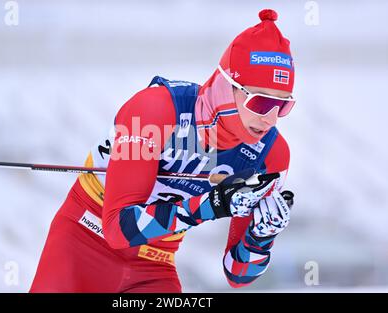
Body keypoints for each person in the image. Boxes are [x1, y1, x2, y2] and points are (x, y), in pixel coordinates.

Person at [30, 8, 296, 293]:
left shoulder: (271, 154)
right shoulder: (155, 111)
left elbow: (237, 276)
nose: (270, 118)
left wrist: (261, 237)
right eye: (260, 102)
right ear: (226, 87)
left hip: (153, 263)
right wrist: (212, 204)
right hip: (83, 241)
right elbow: (117, 229)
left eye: (283, 105)